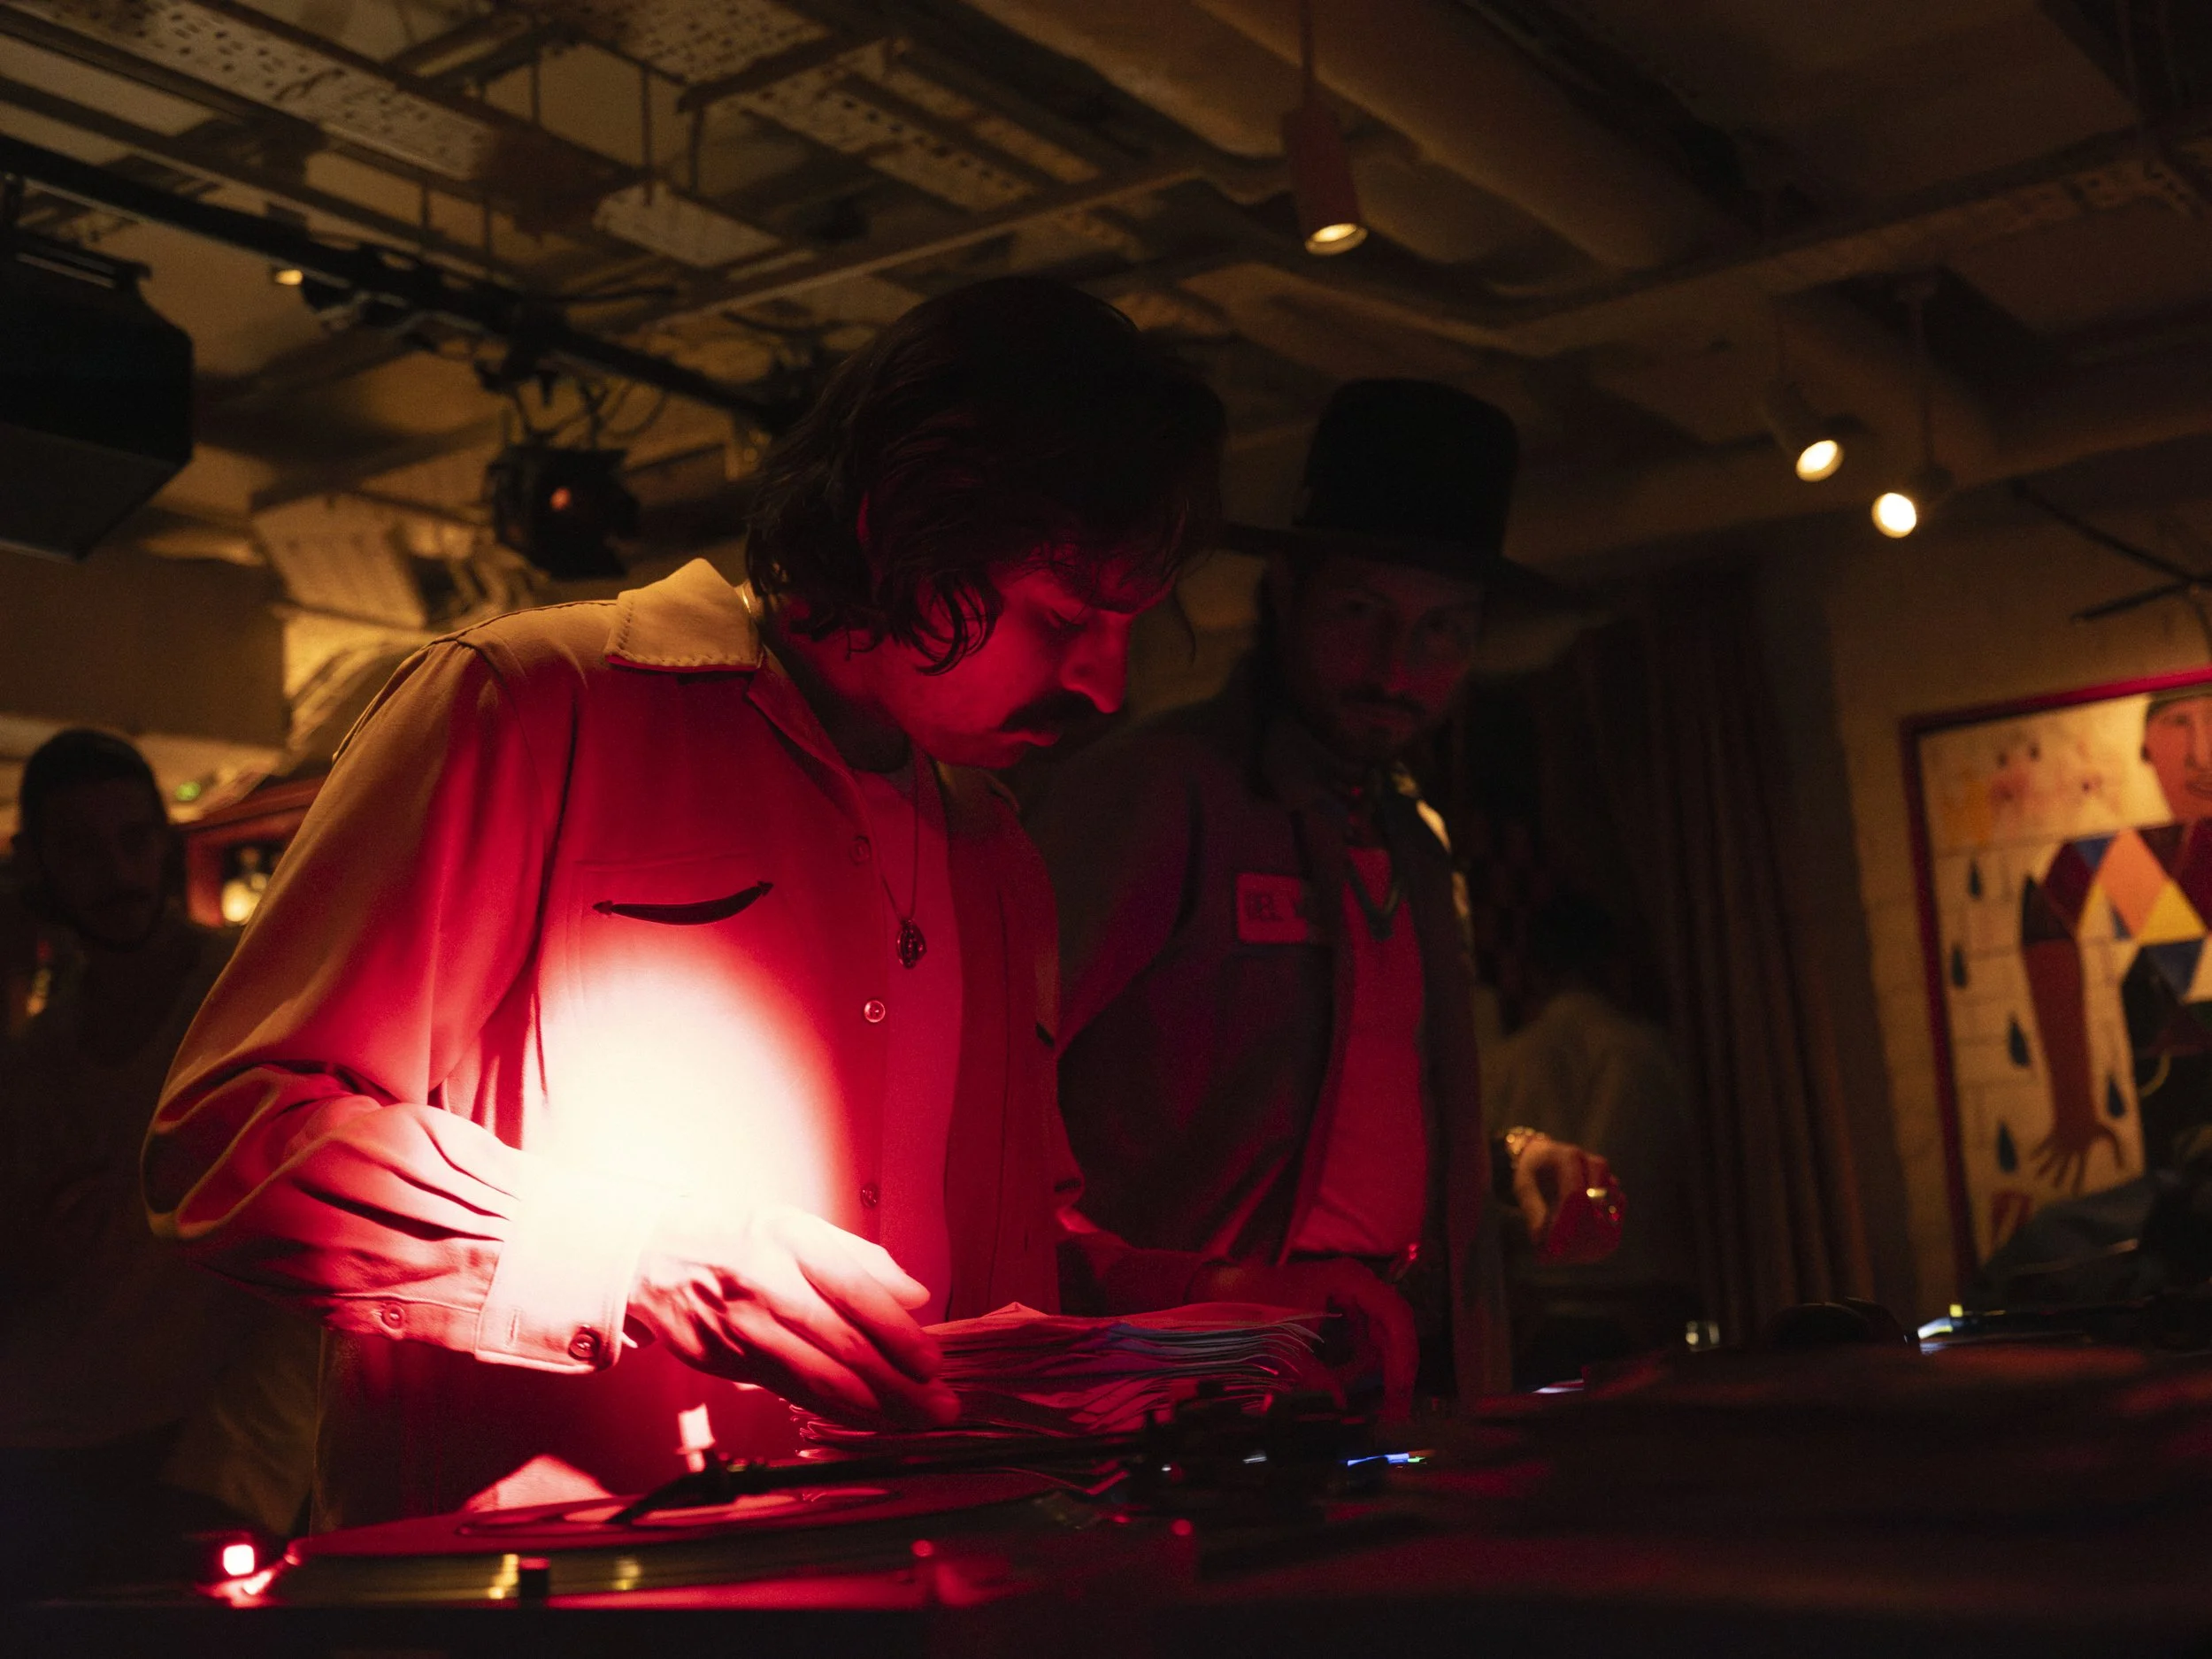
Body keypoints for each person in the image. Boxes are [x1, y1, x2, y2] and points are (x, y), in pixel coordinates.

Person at [146, 278, 1347, 1531]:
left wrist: (1219, 1305)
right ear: (898, 527)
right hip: (556, 1593)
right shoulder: (535, 702)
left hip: (910, 1577)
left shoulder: (996, 851)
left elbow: (996, 1269)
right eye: (1062, 615)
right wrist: (644, 1261)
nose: (1103, 684)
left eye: (1125, 625)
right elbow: (232, 1140)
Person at [1031, 380, 1619, 1416]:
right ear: (1286, 592)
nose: (1398, 668)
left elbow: (1340, 1107)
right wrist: (1147, 1299)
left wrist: (1504, 1164)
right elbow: (991, 1101)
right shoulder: (1159, 792)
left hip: (1393, 1362)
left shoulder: (1412, 836)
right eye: (1361, 613)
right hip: (1195, 1387)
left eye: (1442, 630)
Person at [1, 730, 316, 1594]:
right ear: (39, 864)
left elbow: (310, 1252)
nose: (117, 873)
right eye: (82, 849)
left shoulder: (245, 1000)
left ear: (165, 845)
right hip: (42, 1452)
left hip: (193, 1454)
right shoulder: (39, 1055)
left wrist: (241, 1469)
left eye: (133, 840)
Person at [1484, 892, 1701, 1385]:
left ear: (1533, 973)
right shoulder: (1651, 1052)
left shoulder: (1500, 1066)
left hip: (1536, 1316)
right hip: (1648, 1313)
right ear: (1613, 964)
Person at [2020, 685, 2212, 1196]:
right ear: (2146, 747)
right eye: (2178, 724)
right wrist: (2074, 1105)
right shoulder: (2121, 855)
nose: (2201, 754)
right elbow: (2044, 924)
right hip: (2169, 1080)